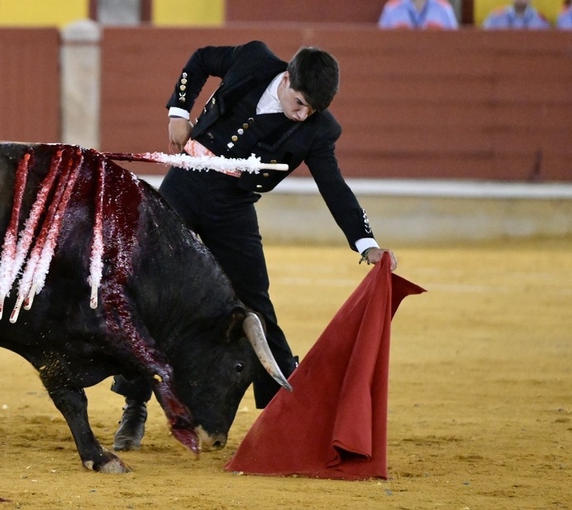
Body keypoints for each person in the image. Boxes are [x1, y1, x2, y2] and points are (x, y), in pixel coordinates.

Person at [109, 40, 397, 451]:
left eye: (311, 110)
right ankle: (134, 404)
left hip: (233, 207)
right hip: (185, 185)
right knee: (148, 290)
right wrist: (178, 111)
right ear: (286, 79)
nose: (302, 115)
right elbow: (202, 59)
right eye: (298, 102)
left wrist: (366, 243)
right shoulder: (254, 60)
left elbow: (334, 188)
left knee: (255, 304)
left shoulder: (318, 129)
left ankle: (289, 408)